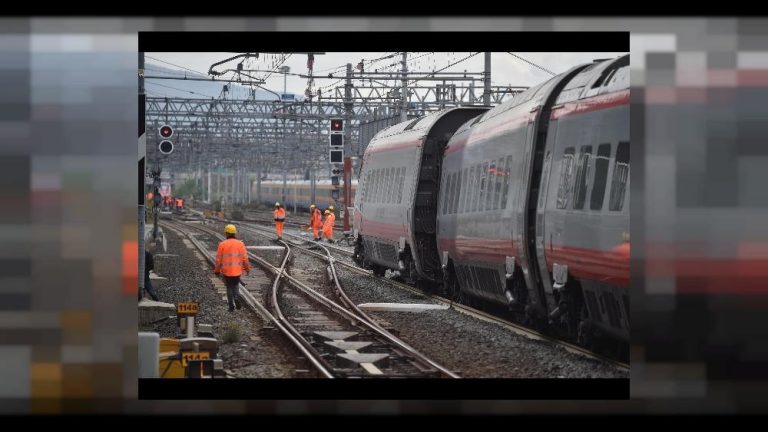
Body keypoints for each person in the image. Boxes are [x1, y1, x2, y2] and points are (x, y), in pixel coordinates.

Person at [214, 224, 251, 312]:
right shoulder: (241, 244)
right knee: (236, 286)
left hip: (226, 272)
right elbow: (245, 258)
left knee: (229, 287)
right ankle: (236, 297)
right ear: (235, 233)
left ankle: (231, 306)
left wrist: (217, 271)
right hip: (237, 271)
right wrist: (247, 269)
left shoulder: (222, 244)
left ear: (226, 233)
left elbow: (218, 260)